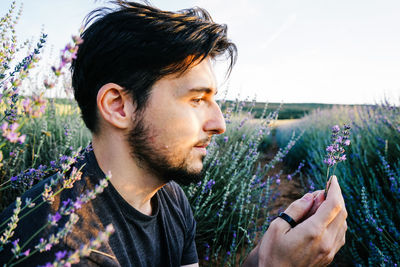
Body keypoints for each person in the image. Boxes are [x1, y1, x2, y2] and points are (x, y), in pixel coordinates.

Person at [0, 1, 347, 266]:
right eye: (197, 99)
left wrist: (264, 256)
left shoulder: (169, 197)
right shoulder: (59, 245)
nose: (219, 123)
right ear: (118, 106)